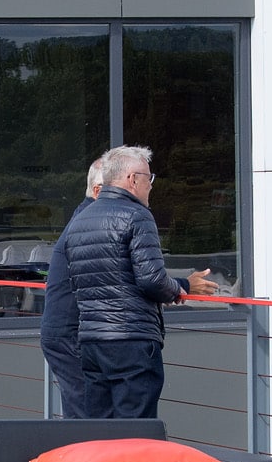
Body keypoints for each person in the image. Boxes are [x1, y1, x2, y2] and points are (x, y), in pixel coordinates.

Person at [63, 144, 222, 420]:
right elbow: (151, 280)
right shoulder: (137, 215)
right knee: (136, 430)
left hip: (91, 341)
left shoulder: (79, 221)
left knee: (99, 428)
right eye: (149, 178)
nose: (151, 185)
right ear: (132, 179)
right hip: (132, 340)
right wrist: (182, 287)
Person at [39, 156, 107, 418]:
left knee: (84, 411)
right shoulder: (89, 223)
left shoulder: (84, 217)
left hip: (68, 332)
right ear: (98, 191)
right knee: (87, 414)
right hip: (70, 334)